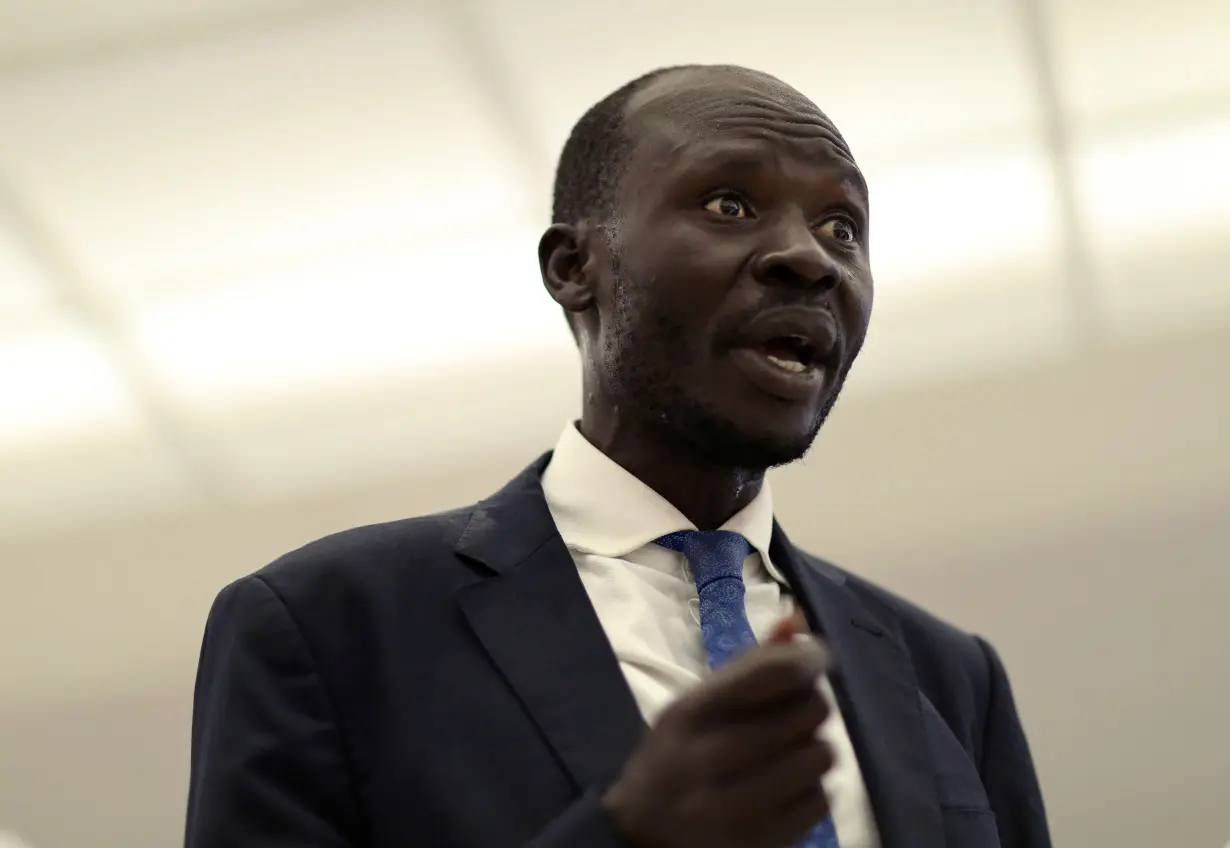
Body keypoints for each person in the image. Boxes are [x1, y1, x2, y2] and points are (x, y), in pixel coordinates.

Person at [185, 64, 1052, 848]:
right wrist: (627, 836)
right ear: (574, 267)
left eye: (842, 226)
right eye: (729, 205)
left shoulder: (949, 675)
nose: (807, 258)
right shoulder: (329, 626)